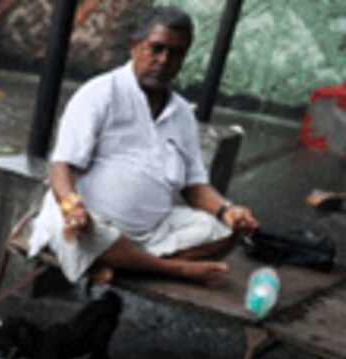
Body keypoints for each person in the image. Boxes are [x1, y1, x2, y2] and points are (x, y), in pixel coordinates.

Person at [28, 5, 260, 286]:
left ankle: (123, 262)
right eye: (157, 49)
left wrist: (227, 210)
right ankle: (175, 269)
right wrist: (72, 207)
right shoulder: (100, 94)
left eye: (176, 54)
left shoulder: (183, 114)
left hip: (153, 234)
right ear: (135, 47)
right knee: (83, 232)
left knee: (225, 231)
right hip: (92, 223)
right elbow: (61, 166)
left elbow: (195, 185)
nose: (164, 60)